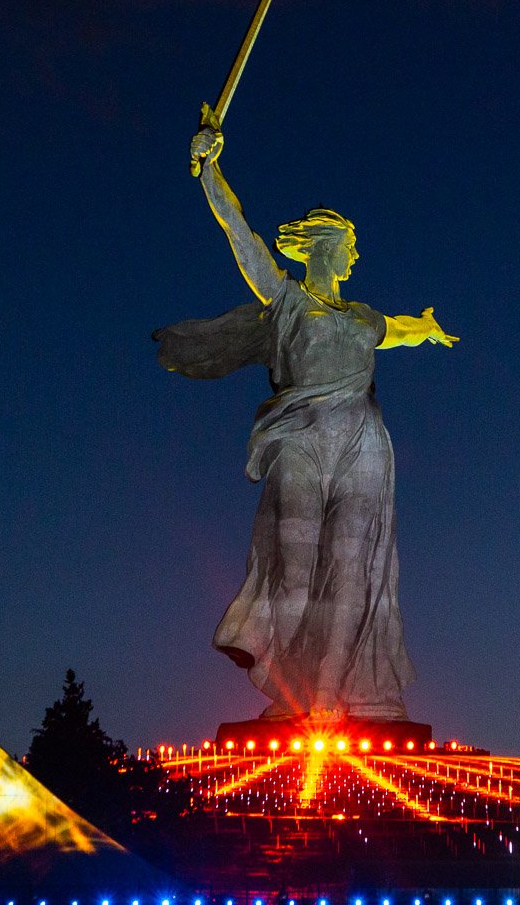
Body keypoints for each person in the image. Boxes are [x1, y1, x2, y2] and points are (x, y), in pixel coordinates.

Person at [155, 127, 456, 722]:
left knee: (350, 564)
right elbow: (242, 240)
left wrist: (425, 325)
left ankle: (326, 700)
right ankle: (291, 689)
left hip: (362, 439)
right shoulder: (286, 299)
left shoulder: (364, 316)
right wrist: (211, 173)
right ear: (323, 246)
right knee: (293, 569)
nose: (356, 256)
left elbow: (400, 329)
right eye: (350, 245)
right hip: (300, 435)